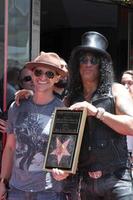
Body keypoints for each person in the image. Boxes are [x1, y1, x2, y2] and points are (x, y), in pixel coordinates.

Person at [54, 31, 133, 199]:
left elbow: (132, 126)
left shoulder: (115, 90)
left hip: (116, 179)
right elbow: (61, 141)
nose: (88, 64)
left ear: (101, 64)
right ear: (77, 64)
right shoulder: (69, 99)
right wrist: (60, 169)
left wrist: (97, 112)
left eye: (93, 60)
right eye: (84, 59)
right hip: (82, 182)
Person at [0, 52, 68, 200]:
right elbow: (10, 147)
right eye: (38, 72)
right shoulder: (17, 106)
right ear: (32, 73)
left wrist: (64, 172)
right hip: (16, 189)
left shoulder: (63, 110)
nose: (42, 77)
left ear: (57, 78)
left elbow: (65, 152)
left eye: (49, 74)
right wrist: (2, 181)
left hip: (48, 191)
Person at [121, 70, 133, 169]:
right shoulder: (116, 106)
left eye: (130, 83)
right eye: (123, 83)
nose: (125, 87)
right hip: (121, 160)